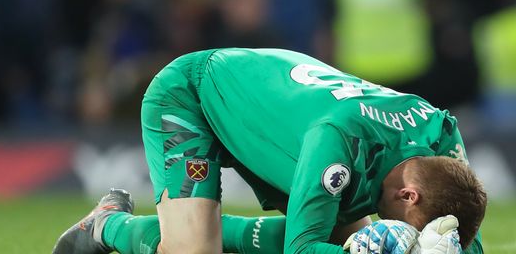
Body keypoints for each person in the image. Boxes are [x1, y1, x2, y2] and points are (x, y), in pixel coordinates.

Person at [53, 48, 487, 254]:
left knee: (364, 242)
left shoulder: (442, 135)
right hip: (196, 93)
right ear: (409, 195)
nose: (411, 235)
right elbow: (302, 248)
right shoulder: (337, 144)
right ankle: (107, 225)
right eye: (413, 227)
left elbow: (465, 235)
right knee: (191, 252)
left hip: (274, 100)